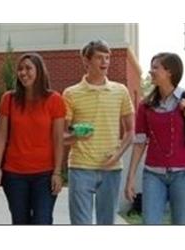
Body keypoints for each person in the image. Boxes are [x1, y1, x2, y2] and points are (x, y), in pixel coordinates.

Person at [63, 40, 134, 225]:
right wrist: (76, 135)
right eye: (99, 57)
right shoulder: (70, 93)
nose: (105, 62)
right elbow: (62, 137)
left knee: (106, 224)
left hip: (111, 169)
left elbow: (130, 131)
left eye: (108, 57)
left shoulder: (121, 91)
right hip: (80, 168)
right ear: (86, 61)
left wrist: (117, 154)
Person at [125, 52, 185, 224]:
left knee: (181, 224)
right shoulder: (145, 105)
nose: (150, 72)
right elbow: (139, 142)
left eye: (155, 67)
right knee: (150, 223)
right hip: (153, 174)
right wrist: (130, 178)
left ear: (169, 72)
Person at [0, 53, 65, 225]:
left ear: (39, 71)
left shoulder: (54, 100)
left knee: (42, 221)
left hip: (45, 175)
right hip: (14, 175)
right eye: (20, 69)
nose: (23, 73)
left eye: (28, 68)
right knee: (20, 222)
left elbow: (58, 139)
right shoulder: (8, 99)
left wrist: (57, 172)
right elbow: (1, 135)